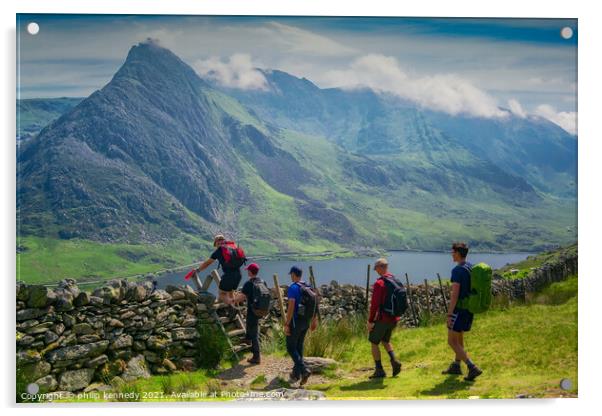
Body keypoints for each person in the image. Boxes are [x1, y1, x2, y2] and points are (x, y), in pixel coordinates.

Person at [442, 242, 483, 381]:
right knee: (459, 337)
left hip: (458, 309)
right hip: (468, 308)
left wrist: (449, 314)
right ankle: (456, 365)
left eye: (452, 252)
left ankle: (472, 367)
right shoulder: (470, 267)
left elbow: (455, 294)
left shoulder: (457, 270)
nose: (451, 254)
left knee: (452, 341)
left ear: (458, 253)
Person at [367, 258, 402, 379]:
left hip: (383, 318)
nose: (375, 271)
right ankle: (395, 361)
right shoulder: (394, 279)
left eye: (376, 268)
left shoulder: (380, 283)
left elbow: (375, 305)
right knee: (385, 341)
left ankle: (379, 370)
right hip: (394, 318)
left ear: (381, 267)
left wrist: (370, 321)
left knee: (373, 341)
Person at [285, 266, 318, 386]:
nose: (291, 276)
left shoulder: (293, 287)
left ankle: (304, 370)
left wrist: (287, 323)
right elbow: (315, 302)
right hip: (306, 321)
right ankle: (295, 374)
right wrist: (314, 319)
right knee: (299, 347)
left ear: (293, 274)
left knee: (290, 347)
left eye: (291, 274)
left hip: (296, 321)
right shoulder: (308, 286)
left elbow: (291, 306)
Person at [196, 234, 244, 305]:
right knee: (231, 292)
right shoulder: (233, 247)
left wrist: (197, 270)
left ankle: (231, 303)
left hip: (228, 276)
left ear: (216, 243)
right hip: (238, 275)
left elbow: (207, 263)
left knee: (222, 294)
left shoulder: (219, 251)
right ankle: (234, 308)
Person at [232, 263, 264, 364]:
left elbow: (241, 297)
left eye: (248, 270)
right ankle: (247, 339)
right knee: (251, 326)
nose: (247, 272)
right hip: (261, 310)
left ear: (250, 271)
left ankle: (256, 357)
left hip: (253, 311)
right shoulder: (262, 281)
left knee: (254, 333)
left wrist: (230, 299)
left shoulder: (249, 283)